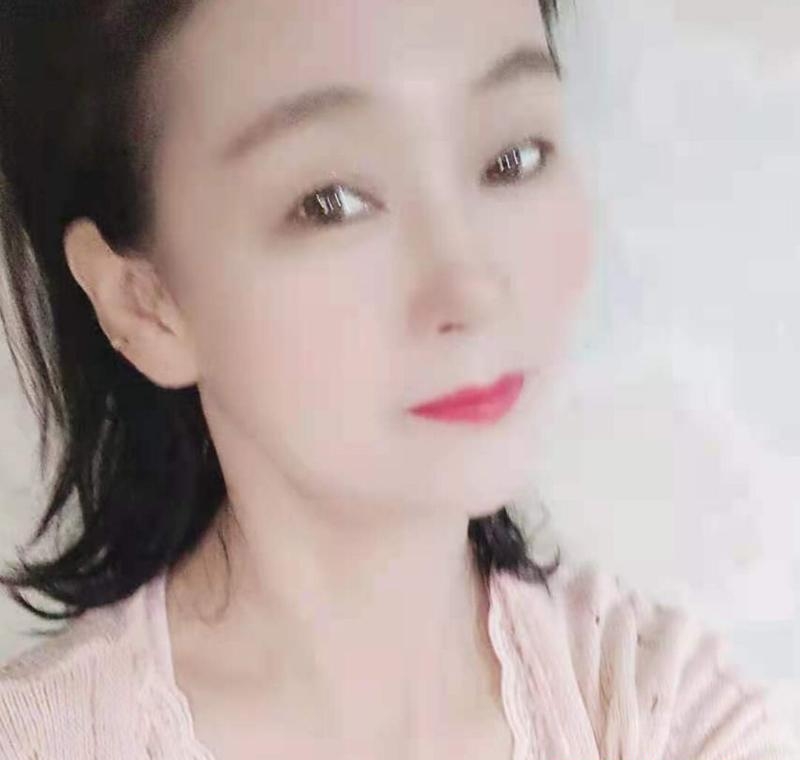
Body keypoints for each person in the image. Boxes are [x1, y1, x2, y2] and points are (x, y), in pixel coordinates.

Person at [0, 0, 796, 758]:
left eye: (512, 158)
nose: (472, 290)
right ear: (146, 305)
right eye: (331, 203)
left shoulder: (660, 707)